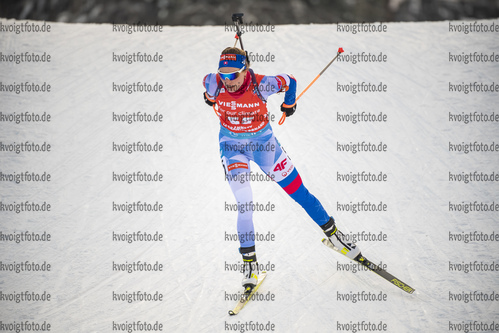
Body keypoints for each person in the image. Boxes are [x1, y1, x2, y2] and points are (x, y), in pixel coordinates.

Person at [202, 47, 360, 289]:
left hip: (265, 148)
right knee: (245, 203)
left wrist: (289, 104)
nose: (228, 80)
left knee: (299, 193)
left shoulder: (263, 84)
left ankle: (335, 236)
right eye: (224, 74)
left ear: (245, 70)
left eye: (234, 74)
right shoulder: (213, 82)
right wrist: (210, 98)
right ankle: (250, 267)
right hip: (232, 148)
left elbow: (290, 81)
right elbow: (210, 94)